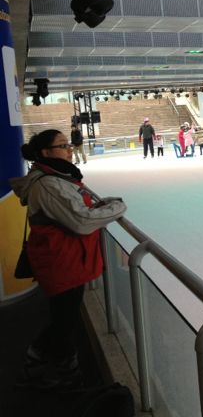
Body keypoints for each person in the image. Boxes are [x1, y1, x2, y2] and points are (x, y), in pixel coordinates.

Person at [9, 129, 127, 390]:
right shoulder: (48, 184)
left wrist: (98, 206)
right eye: (63, 145)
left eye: (70, 144)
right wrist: (116, 207)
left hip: (67, 261)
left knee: (65, 319)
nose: (70, 149)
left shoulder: (55, 176)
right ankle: (55, 370)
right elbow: (81, 221)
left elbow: (75, 210)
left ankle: (50, 367)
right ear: (46, 153)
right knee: (64, 321)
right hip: (61, 263)